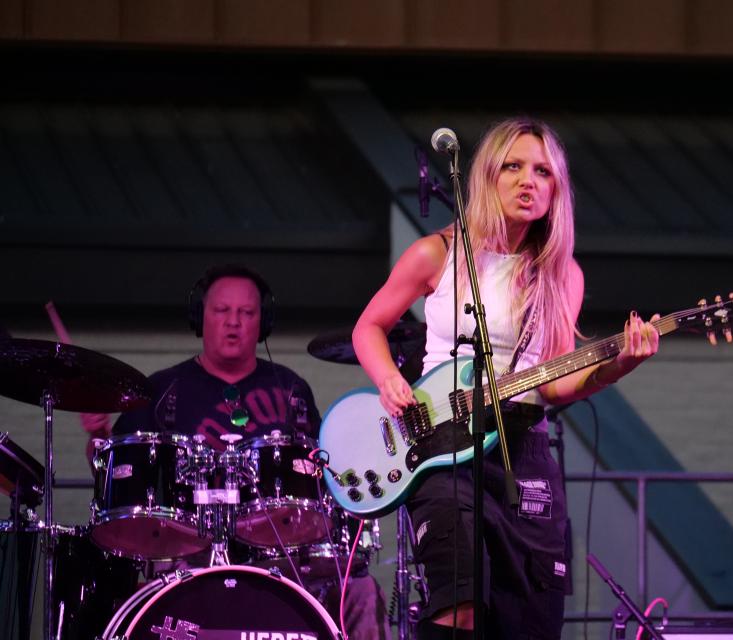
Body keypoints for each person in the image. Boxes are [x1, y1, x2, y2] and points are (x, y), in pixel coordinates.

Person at [351, 118, 660, 639]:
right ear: (487, 176)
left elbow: (555, 382)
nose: (527, 181)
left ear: (556, 189)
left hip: (522, 448)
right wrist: (387, 379)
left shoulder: (561, 273)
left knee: (529, 618)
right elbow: (369, 327)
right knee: (460, 599)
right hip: (442, 442)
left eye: (542, 172)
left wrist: (620, 364)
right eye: (513, 167)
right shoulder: (436, 253)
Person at [81, 264, 391, 640]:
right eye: (221, 311)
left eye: (246, 312)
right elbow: (118, 471)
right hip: (186, 553)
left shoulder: (290, 389)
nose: (233, 322)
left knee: (361, 592)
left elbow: (322, 471)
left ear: (264, 322)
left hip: (280, 554)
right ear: (200, 317)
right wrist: (98, 435)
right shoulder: (163, 390)